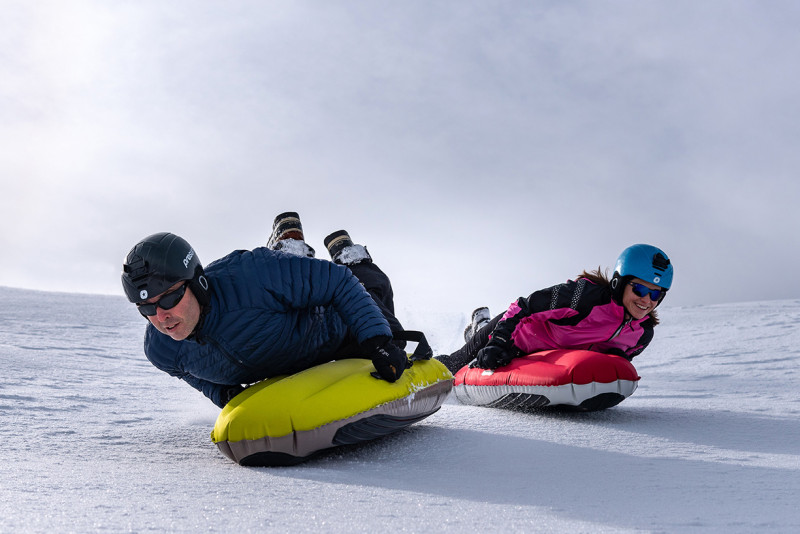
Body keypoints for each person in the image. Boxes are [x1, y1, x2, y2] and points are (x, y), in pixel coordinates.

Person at [121, 212, 410, 408]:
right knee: (289, 274)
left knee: (374, 295)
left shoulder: (249, 275)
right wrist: (223, 394)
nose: (161, 317)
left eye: (169, 299)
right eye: (146, 308)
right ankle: (289, 252)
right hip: (285, 352)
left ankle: (347, 253)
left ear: (197, 283)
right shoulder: (160, 349)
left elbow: (339, 282)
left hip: (333, 335)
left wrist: (378, 341)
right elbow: (187, 372)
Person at [436, 244, 674, 373]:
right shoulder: (584, 297)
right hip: (515, 337)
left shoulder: (642, 334)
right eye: (640, 290)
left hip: (545, 358)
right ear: (619, 283)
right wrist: (498, 342)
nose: (647, 300)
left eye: (656, 294)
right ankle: (478, 327)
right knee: (456, 363)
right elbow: (523, 307)